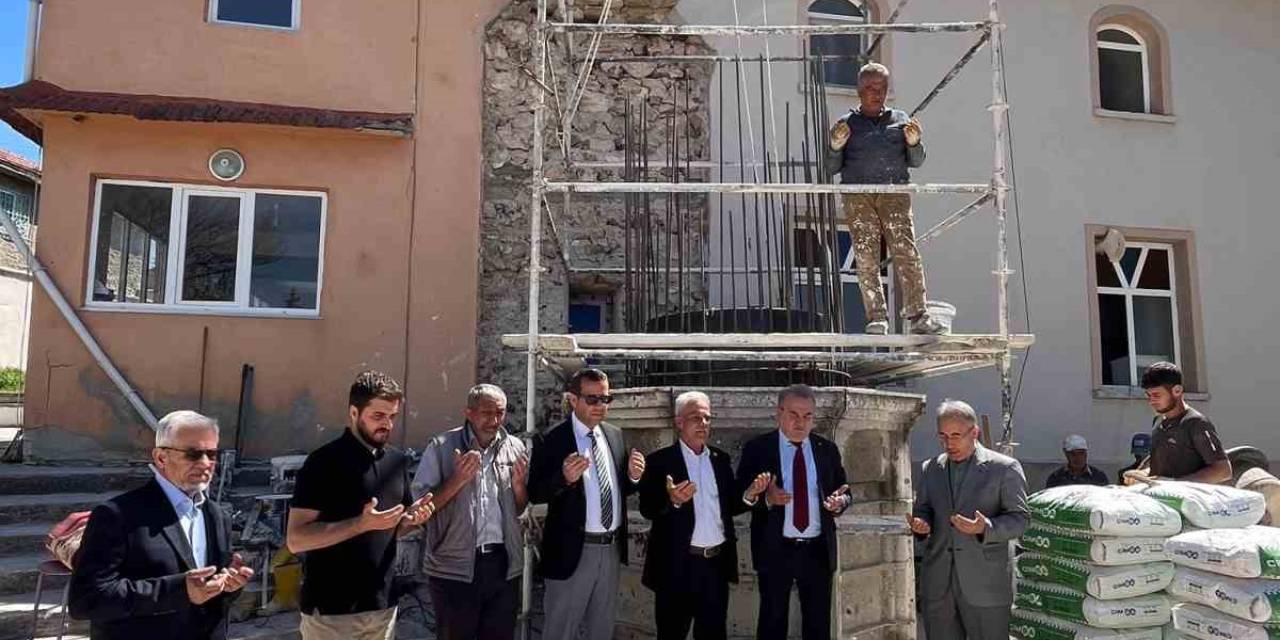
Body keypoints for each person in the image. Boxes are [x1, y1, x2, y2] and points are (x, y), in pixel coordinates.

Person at [69, 410, 255, 640]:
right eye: (193, 454)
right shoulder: (118, 515)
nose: (206, 463)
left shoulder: (217, 515)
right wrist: (179, 590)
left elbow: (210, 593)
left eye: (212, 453)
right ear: (160, 458)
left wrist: (230, 586)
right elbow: (86, 600)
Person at [286, 371, 434, 640]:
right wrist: (360, 524)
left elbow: (390, 529)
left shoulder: (397, 462)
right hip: (332, 614)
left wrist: (410, 520)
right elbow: (296, 540)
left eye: (392, 416)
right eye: (378, 416)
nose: (387, 424)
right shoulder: (322, 463)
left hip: (382, 608)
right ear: (354, 413)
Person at [528, 368, 646, 640]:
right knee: (560, 630)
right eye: (591, 399)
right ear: (573, 400)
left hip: (611, 548)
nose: (599, 405)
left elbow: (616, 489)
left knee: (602, 630)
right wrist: (564, 478)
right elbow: (535, 492)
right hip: (573, 552)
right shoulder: (551, 439)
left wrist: (633, 476)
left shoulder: (615, 435)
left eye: (605, 399)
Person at [826, 62, 943, 335]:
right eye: (870, 88)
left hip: (894, 193)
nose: (876, 93)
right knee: (866, 255)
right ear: (859, 90)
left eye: (881, 88)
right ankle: (876, 317)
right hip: (859, 195)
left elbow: (917, 161)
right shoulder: (846, 125)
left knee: (906, 252)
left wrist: (914, 143)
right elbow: (831, 167)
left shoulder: (900, 119)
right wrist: (835, 146)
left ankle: (918, 315)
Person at [411, 384, 529, 640]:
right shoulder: (442, 447)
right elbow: (420, 508)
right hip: (454, 568)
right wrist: (458, 480)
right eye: (487, 413)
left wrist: (519, 488)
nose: (495, 420)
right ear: (469, 413)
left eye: (500, 413)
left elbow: (518, 509)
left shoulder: (515, 447)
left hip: (502, 565)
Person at [736, 384, 851, 640]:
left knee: (818, 625)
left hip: (818, 551)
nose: (801, 422)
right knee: (772, 623)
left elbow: (845, 490)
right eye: (793, 415)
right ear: (779, 413)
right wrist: (764, 496)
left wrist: (839, 502)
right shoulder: (758, 449)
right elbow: (738, 496)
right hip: (776, 549)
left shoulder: (826, 449)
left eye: (807, 416)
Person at [910, 399, 1029, 640]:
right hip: (939, 585)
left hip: (986, 585)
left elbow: (1020, 519)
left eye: (956, 435)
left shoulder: (1004, 468)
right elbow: (923, 510)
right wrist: (921, 525)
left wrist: (985, 527)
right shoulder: (930, 468)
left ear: (974, 432)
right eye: (942, 436)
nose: (949, 443)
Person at [638, 391, 746, 640]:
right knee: (671, 633)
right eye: (696, 418)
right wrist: (673, 501)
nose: (703, 424)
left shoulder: (720, 460)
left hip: (715, 566)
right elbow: (647, 509)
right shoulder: (660, 462)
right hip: (676, 566)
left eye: (707, 418)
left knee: (713, 634)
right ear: (679, 423)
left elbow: (730, 506)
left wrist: (751, 495)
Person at [1124, 362, 1232, 485]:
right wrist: (1141, 474)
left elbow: (1223, 471)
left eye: (1156, 395)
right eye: (1148, 395)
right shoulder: (1158, 422)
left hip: (1186, 501)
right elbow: (1160, 461)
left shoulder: (1196, 423)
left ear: (1177, 390)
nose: (1151, 401)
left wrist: (1175, 483)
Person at [1044, 435, 1109, 489]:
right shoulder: (1056, 478)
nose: (1078, 458)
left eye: (1081, 453)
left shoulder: (1098, 476)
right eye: (1073, 454)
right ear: (1066, 454)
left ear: (1086, 454)